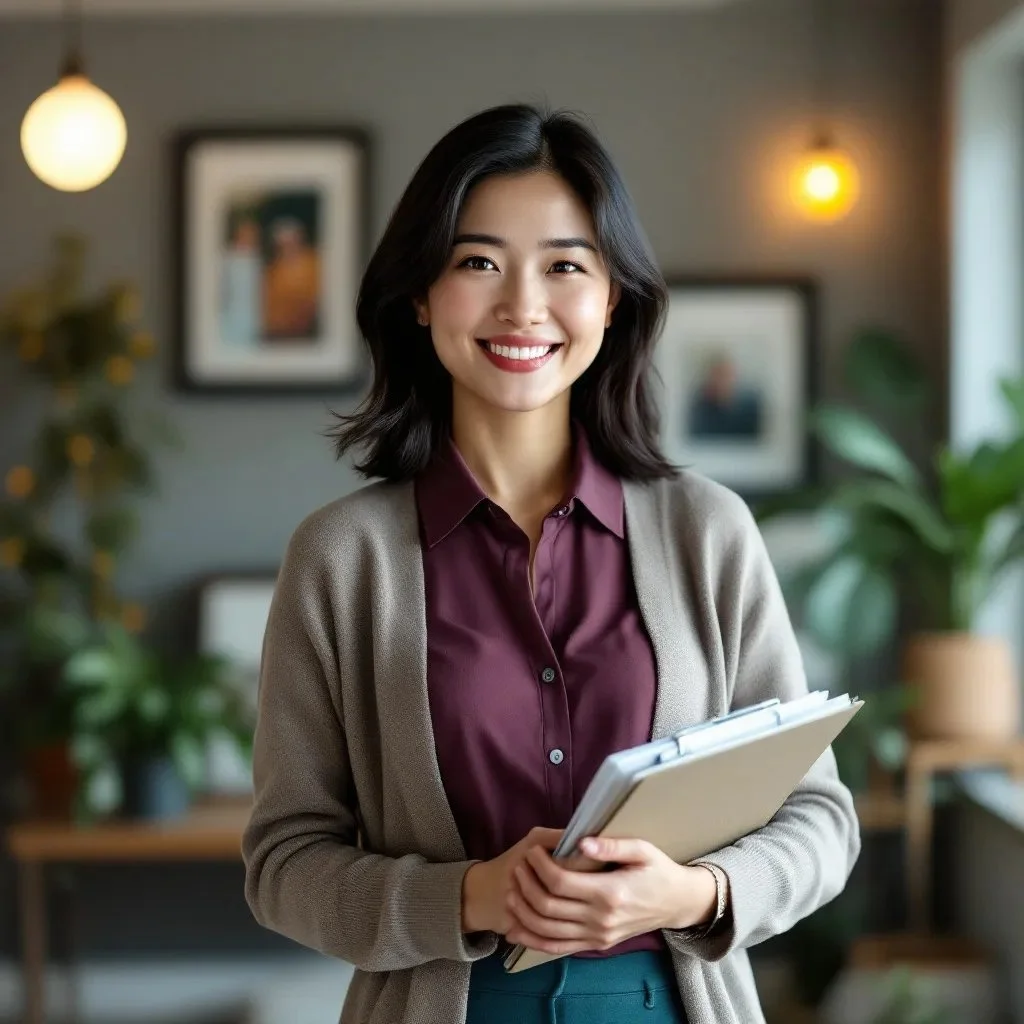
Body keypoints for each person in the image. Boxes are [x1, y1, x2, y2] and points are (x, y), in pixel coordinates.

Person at [241, 103, 860, 1024]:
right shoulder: (341, 559)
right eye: (477, 261)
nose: (521, 305)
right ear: (421, 294)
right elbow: (284, 863)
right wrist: (468, 897)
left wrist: (693, 895)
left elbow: (821, 821)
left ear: (612, 299)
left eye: (565, 265)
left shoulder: (709, 532)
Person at [261, 215, 321, 339]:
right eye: (281, 246)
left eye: (290, 243)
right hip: (277, 334)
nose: (287, 249)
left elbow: (317, 299)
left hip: (308, 333)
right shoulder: (273, 269)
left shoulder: (314, 262)